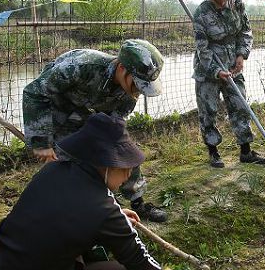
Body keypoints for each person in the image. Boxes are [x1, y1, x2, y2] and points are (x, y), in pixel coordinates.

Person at [0, 113, 176, 270]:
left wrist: (115, 218)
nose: (128, 174)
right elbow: (136, 258)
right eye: (124, 166)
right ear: (105, 163)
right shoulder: (101, 208)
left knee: (92, 247)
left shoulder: (54, 171)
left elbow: (60, 219)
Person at [22, 39, 168, 222]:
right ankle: (86, 212)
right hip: (57, 114)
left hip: (89, 117)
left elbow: (115, 130)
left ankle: (138, 204)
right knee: (67, 167)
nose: (139, 90)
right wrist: (41, 142)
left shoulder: (129, 93)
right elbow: (34, 93)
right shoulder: (81, 66)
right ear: (122, 68)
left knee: (124, 151)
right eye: (138, 83)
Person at [192, 0, 265, 168]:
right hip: (208, 67)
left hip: (233, 64)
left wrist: (241, 55)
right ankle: (213, 152)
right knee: (208, 110)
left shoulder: (238, 4)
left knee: (240, 106)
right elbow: (202, 47)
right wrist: (215, 71)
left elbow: (245, 32)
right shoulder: (201, 12)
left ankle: (246, 151)